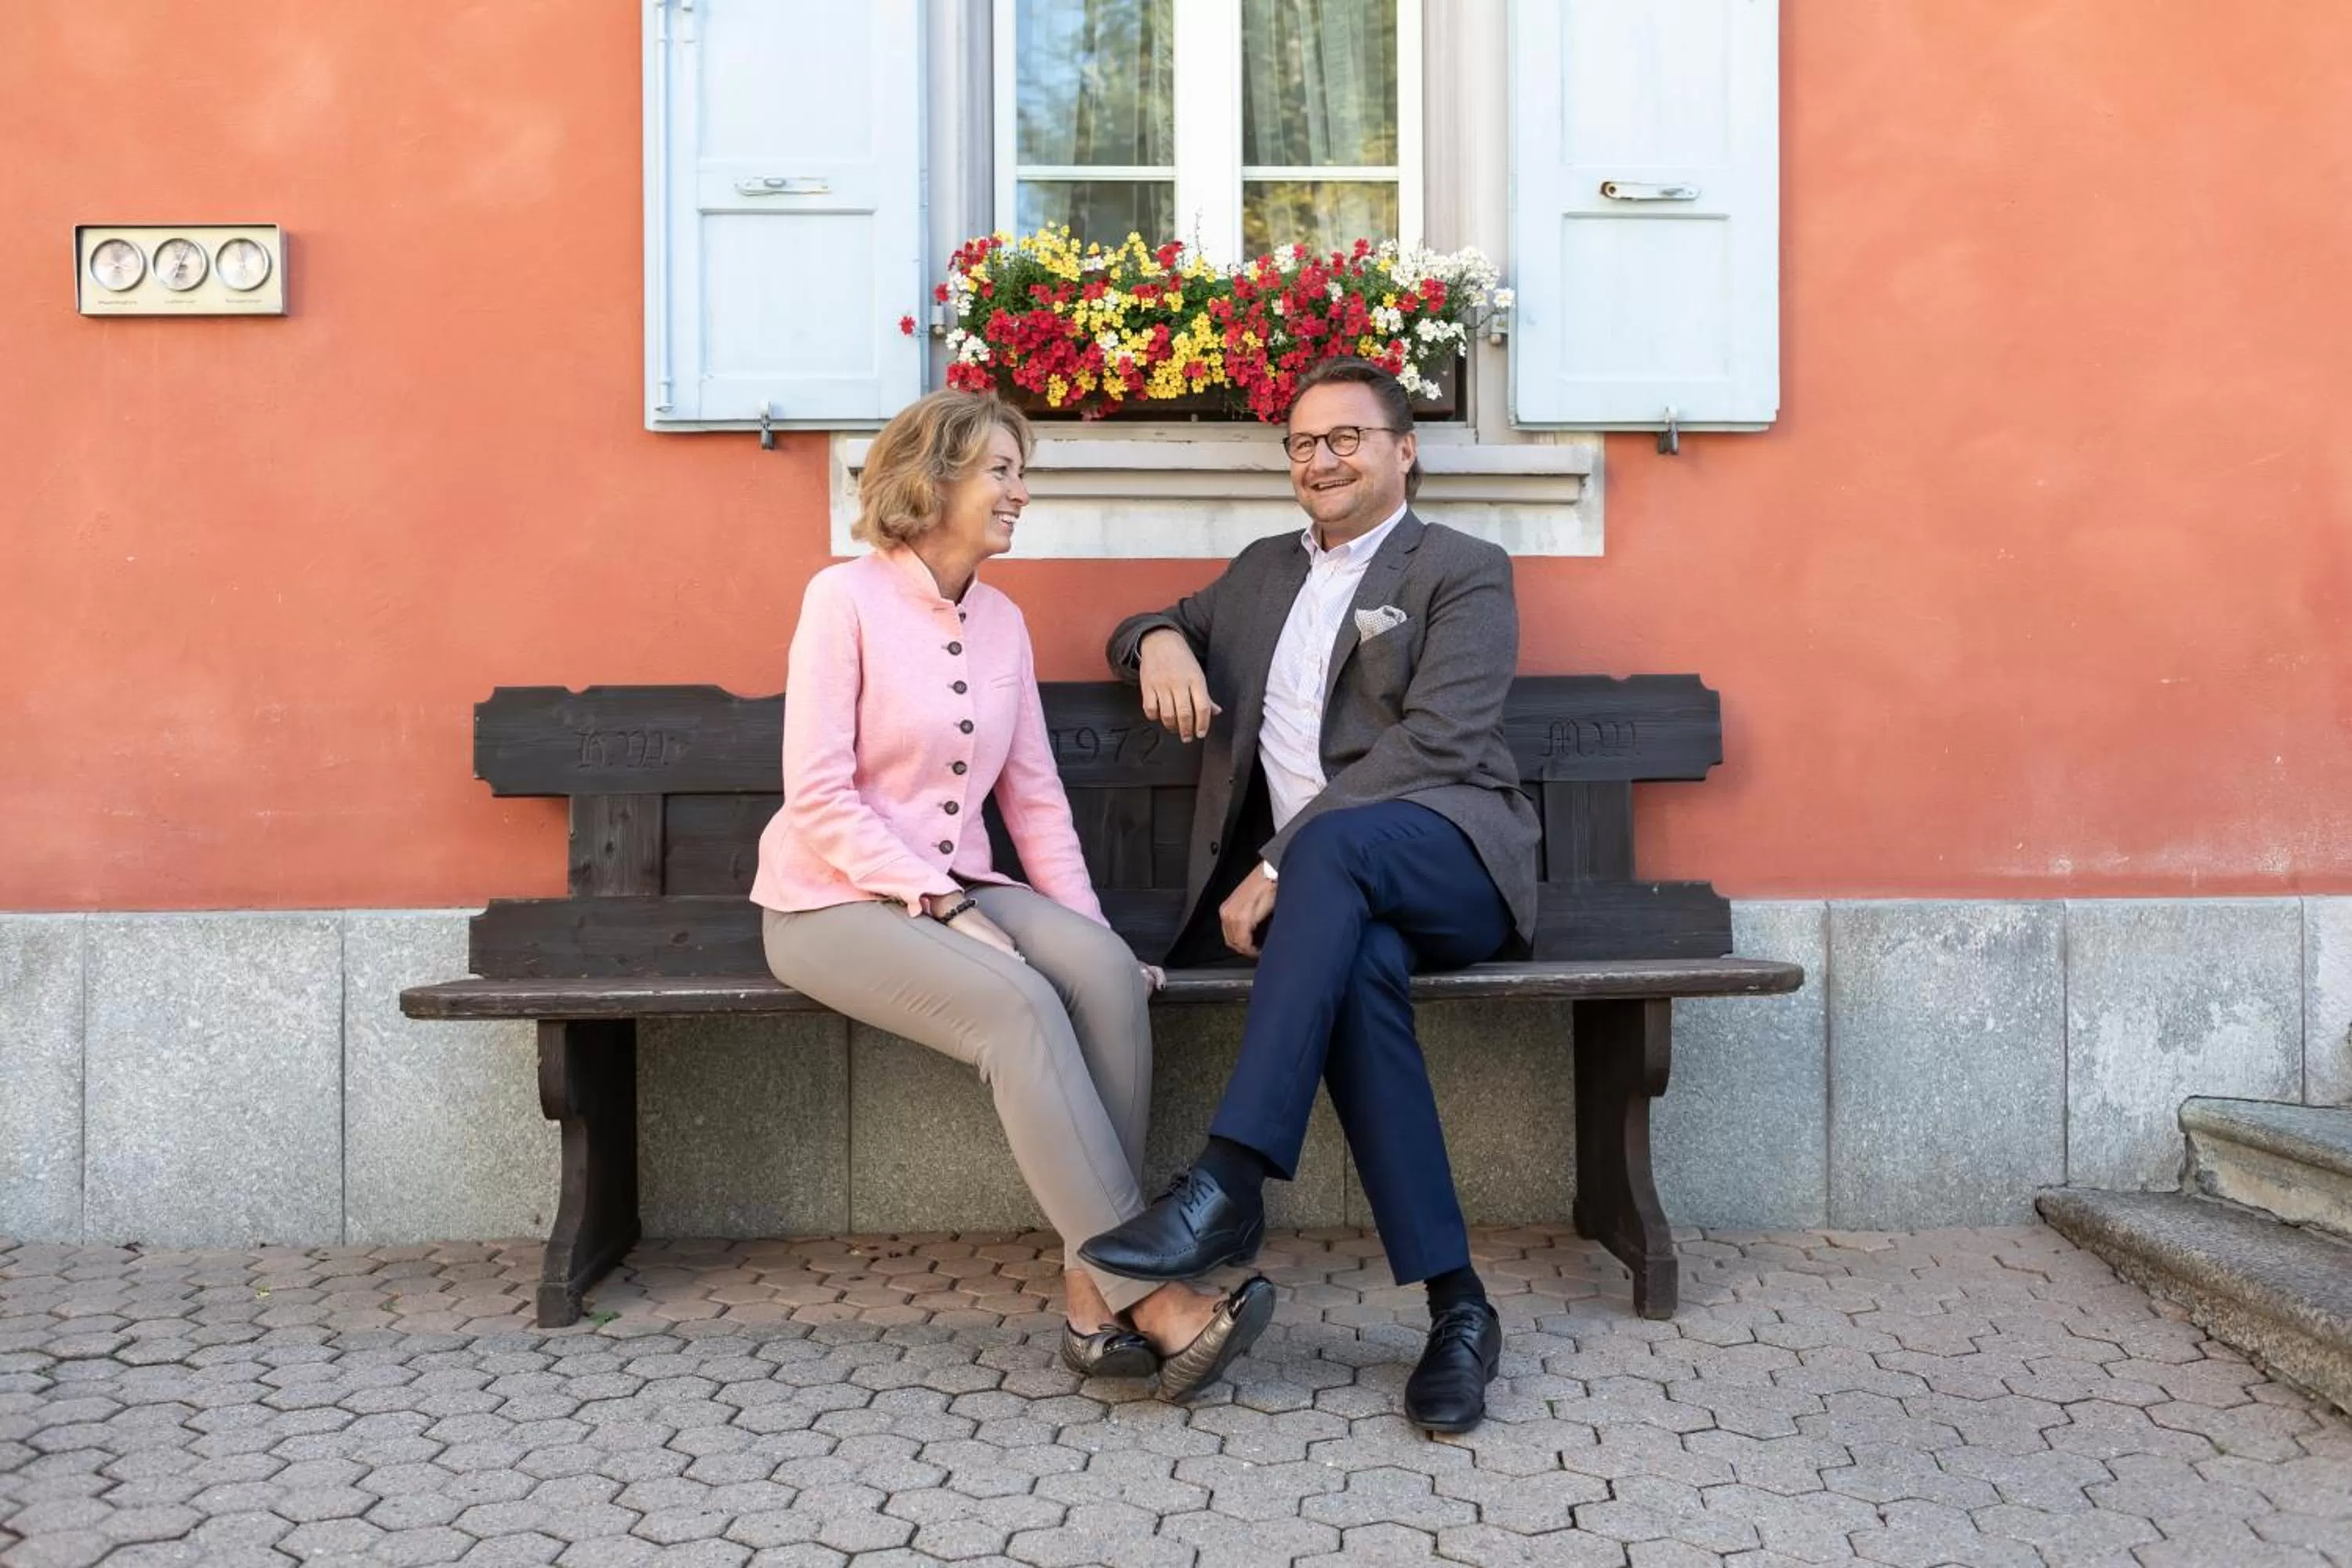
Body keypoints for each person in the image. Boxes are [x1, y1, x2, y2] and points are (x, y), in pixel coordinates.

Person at [751, 390, 1273, 1398]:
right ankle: (1157, 1296)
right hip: (828, 901)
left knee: (1104, 977)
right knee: (1020, 1003)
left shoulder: (1002, 621)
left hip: (958, 881)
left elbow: (1033, 801)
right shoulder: (842, 599)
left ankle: (1091, 1299)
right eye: (1001, 471)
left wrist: (1085, 931)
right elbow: (816, 795)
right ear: (933, 478)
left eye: (1019, 473)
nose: (1019, 493)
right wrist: (944, 906)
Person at [1078, 356, 1541, 1432]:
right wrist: (1157, 642)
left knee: (1328, 860)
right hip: (1344, 905)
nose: (1320, 459)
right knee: (1358, 973)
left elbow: (1444, 740)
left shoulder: (1462, 569)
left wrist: (1281, 858)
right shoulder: (1259, 575)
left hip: (1453, 862)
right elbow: (1146, 620)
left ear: (1403, 450)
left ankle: (1226, 1183)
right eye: (1302, 443)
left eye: (1346, 439)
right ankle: (1458, 1308)